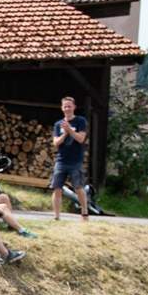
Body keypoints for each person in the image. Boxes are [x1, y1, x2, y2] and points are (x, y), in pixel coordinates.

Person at [49, 95, 90, 223]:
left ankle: (84, 213)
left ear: (74, 107)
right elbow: (56, 143)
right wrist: (65, 133)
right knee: (57, 188)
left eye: (69, 106)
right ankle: (56, 216)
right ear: (62, 108)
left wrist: (70, 131)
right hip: (61, 160)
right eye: (65, 106)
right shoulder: (58, 124)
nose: (67, 108)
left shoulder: (80, 121)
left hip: (75, 161)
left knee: (78, 188)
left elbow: (81, 139)